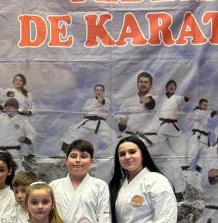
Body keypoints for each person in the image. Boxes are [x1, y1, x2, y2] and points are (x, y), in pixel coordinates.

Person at [118, 72, 185, 200]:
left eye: (146, 82)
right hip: (132, 139)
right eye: (141, 82)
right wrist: (122, 123)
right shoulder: (128, 101)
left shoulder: (157, 99)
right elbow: (121, 120)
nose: (143, 84)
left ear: (150, 84)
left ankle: (178, 192)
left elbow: (151, 105)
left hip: (150, 139)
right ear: (137, 83)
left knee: (171, 161)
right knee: (112, 162)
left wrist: (148, 100)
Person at [60, 84, 117, 175]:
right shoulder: (89, 101)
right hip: (88, 122)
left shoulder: (106, 100)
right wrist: (95, 109)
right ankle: (63, 156)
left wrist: (97, 105)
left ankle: (113, 160)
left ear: (103, 92)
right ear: (94, 91)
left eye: (101, 90)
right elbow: (85, 111)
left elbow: (102, 103)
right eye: (97, 90)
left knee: (113, 137)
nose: (99, 91)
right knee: (72, 132)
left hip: (100, 123)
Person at [0, 99, 36, 170]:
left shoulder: (22, 120)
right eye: (6, 107)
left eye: (10, 107)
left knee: (16, 170)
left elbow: (32, 133)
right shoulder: (0, 117)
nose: (7, 108)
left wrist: (26, 139)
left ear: (16, 109)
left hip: (14, 152)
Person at [156, 80, 190, 170]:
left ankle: (184, 167)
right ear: (166, 87)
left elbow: (183, 100)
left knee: (181, 146)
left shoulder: (177, 98)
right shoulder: (160, 98)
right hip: (161, 126)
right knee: (155, 145)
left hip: (173, 126)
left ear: (175, 88)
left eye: (173, 86)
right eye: (170, 85)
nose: (171, 87)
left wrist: (186, 98)